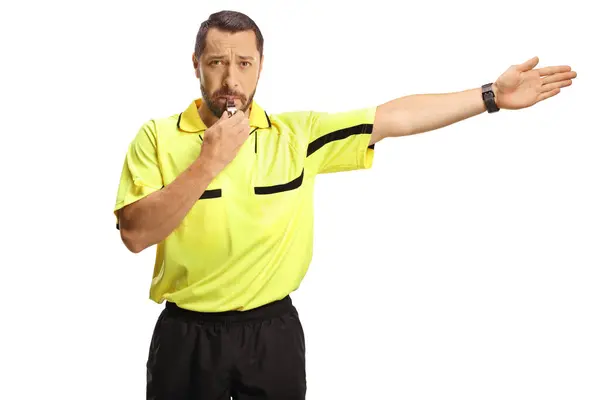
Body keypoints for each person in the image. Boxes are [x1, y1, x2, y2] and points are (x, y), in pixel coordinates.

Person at [113, 9, 576, 400]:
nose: (230, 79)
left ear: (261, 66)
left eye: (244, 63)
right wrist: (208, 162)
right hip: (186, 335)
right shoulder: (156, 139)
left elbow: (395, 118)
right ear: (195, 64)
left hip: (271, 334)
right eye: (216, 62)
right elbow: (135, 234)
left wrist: (490, 96)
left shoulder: (297, 137)